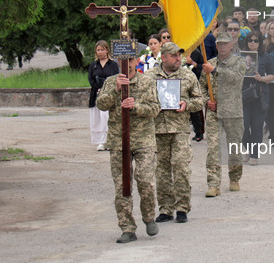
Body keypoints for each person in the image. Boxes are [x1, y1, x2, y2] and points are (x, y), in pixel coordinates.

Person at [95, 56, 160, 244]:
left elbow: (155, 108)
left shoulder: (146, 81)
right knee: (122, 186)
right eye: (124, 59)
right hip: (118, 140)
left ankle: (149, 217)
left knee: (146, 180)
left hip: (143, 139)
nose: (128, 63)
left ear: (136, 61)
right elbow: (101, 104)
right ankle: (127, 227)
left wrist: (136, 107)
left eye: (131, 59)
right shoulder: (110, 81)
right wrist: (115, 90)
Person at [145, 42, 203, 224]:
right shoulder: (149, 77)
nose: (179, 59)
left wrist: (187, 105)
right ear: (164, 58)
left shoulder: (188, 75)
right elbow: (143, 99)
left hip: (179, 130)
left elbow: (200, 100)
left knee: (181, 168)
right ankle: (165, 209)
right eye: (174, 56)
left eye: (180, 56)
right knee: (161, 172)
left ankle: (182, 208)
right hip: (158, 130)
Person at [200, 31, 247, 197]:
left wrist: (214, 71)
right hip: (214, 112)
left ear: (232, 44)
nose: (222, 46)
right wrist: (207, 100)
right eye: (219, 43)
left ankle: (234, 178)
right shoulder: (209, 64)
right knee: (213, 148)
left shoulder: (239, 62)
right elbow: (201, 88)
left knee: (234, 147)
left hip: (233, 112)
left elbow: (236, 78)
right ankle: (213, 184)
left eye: (226, 43)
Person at [239, 31, 274, 166]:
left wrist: (262, 78)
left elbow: (272, 75)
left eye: (255, 40)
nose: (252, 43)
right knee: (243, 125)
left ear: (260, 43)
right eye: (250, 40)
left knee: (257, 126)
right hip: (243, 93)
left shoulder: (266, 57)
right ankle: (248, 149)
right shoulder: (240, 57)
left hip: (259, 95)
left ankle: (254, 154)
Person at [88, 40, 120, 151]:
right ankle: (100, 141)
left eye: (102, 50)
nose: (100, 52)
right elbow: (91, 79)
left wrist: (107, 89)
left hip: (109, 94)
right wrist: (98, 88)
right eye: (98, 50)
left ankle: (109, 140)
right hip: (96, 93)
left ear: (107, 50)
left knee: (107, 117)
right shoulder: (94, 65)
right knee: (98, 118)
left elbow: (115, 77)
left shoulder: (113, 64)